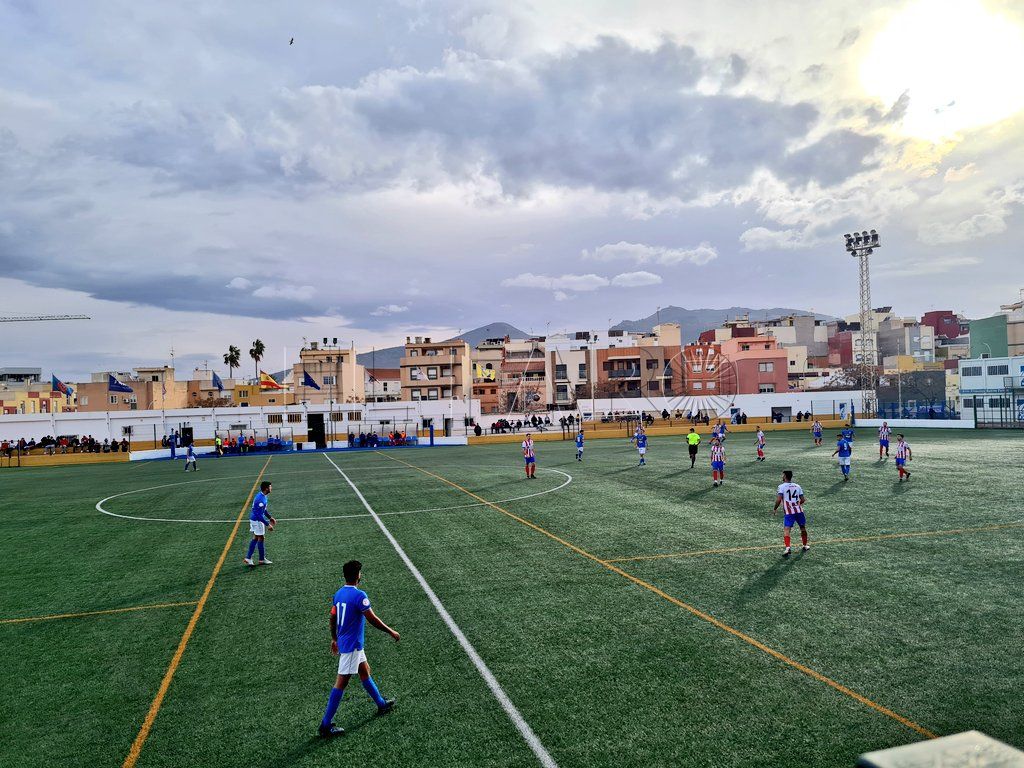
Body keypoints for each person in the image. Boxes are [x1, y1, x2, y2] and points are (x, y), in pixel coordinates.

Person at [318, 559, 399, 738]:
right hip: (352, 646)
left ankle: (381, 704)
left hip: (349, 643)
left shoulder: (338, 594)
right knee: (342, 682)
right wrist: (390, 631)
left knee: (364, 671)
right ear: (358, 576)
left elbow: (332, 617)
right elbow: (371, 618)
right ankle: (325, 725)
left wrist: (333, 638)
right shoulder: (359, 595)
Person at [773, 470, 809, 557]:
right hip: (799, 511)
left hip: (789, 512)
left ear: (785, 476)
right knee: (802, 527)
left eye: (783, 475)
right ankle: (805, 545)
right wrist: (796, 505)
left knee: (787, 529)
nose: (782, 477)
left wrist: (775, 508)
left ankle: (788, 548)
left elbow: (779, 499)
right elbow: (803, 499)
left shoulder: (781, 487)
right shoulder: (797, 486)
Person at [244, 481, 276, 566]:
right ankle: (261, 559)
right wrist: (267, 524)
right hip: (257, 520)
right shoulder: (260, 499)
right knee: (261, 538)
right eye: (270, 487)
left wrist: (270, 517)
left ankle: (249, 558)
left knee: (256, 538)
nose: (271, 488)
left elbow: (263, 510)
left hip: (254, 519)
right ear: (266, 488)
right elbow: (258, 515)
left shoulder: (262, 496)